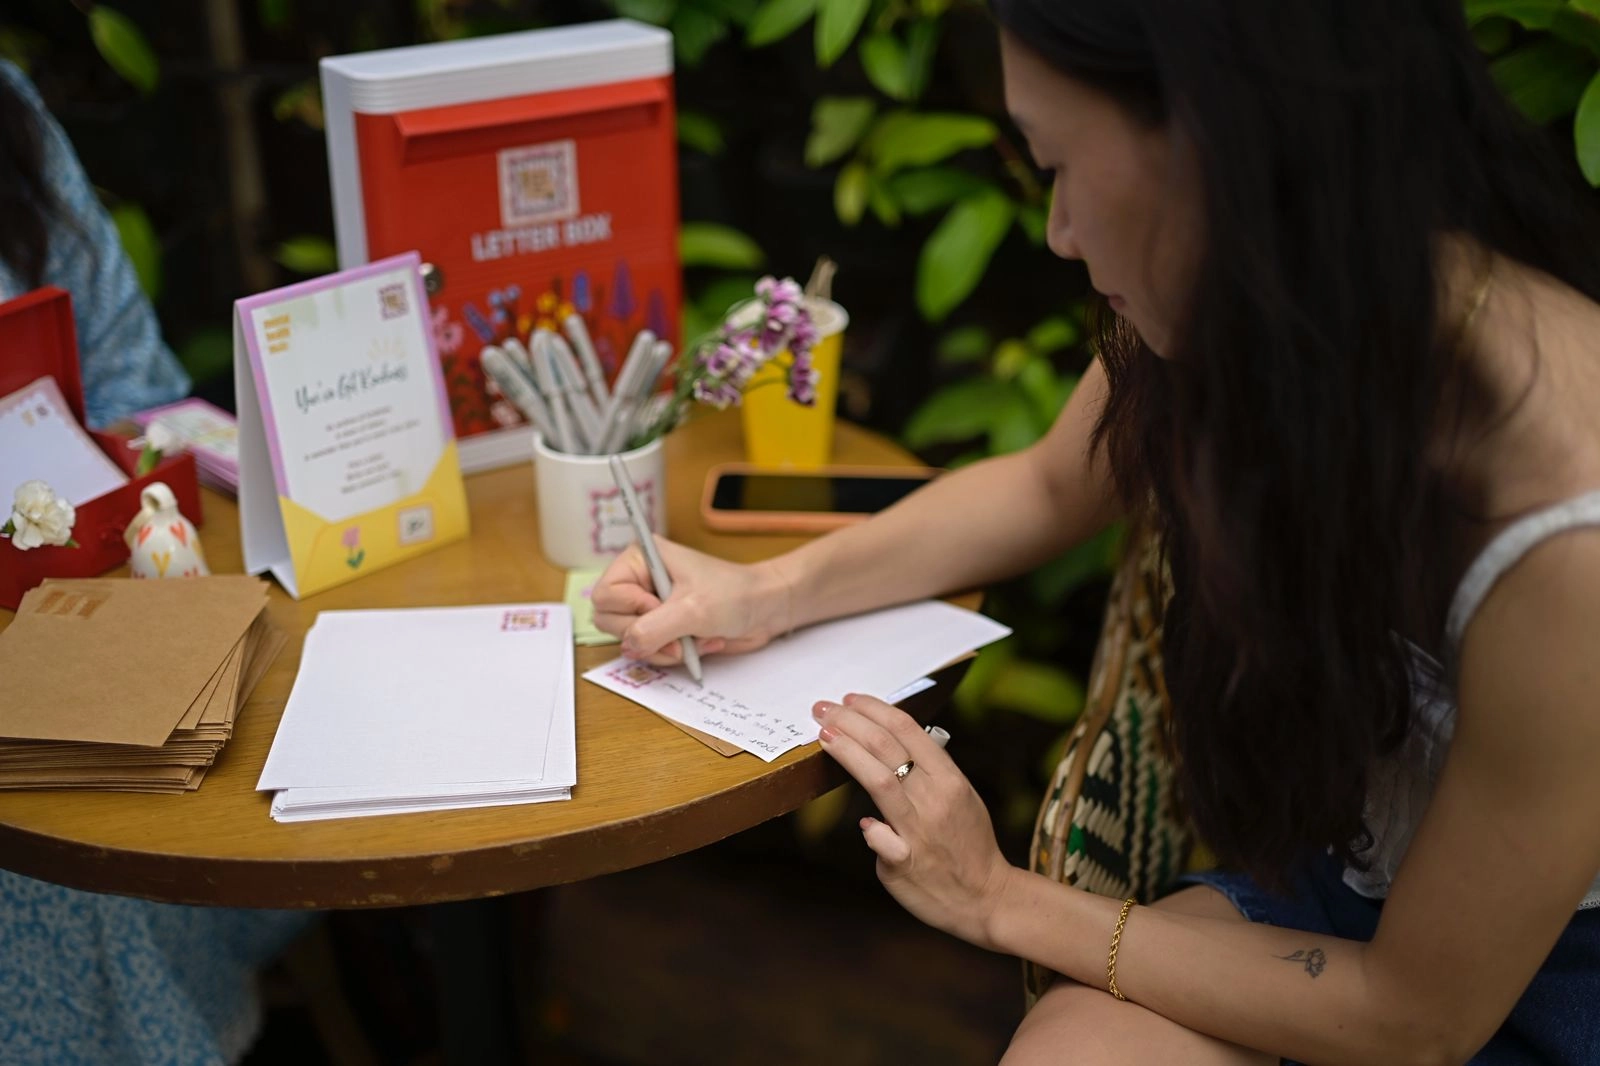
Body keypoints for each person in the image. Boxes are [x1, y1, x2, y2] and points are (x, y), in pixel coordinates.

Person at [592, 2, 1600, 1062]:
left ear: (1220, 146)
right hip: (1342, 877)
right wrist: (766, 592)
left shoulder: (1566, 535)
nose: (1057, 231)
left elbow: (1415, 1020)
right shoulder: (1270, 279)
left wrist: (996, 896)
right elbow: (1042, 489)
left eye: (1061, 163)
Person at [0, 60, 310, 1065]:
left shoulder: (8, 106)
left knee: (271, 699)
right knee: (63, 839)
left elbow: (134, 381)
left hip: (92, 586)